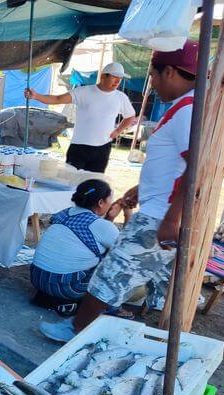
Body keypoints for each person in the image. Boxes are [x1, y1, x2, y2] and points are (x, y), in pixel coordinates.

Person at [39, 41, 199, 343]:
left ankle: (76, 330)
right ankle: (155, 333)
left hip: (160, 216)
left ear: (169, 71)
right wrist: (144, 188)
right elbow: (177, 165)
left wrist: (173, 217)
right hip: (161, 207)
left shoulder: (188, 111)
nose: (151, 82)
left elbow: (197, 169)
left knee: (112, 272)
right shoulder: (183, 108)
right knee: (163, 277)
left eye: (153, 74)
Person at [30, 179, 123, 314]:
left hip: (37, 278)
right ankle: (108, 307)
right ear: (101, 203)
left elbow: (95, 237)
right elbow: (124, 249)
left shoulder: (62, 213)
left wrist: (109, 219)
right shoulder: (101, 226)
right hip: (66, 288)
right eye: (110, 199)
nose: (111, 203)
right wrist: (127, 215)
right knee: (115, 261)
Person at [25, 62, 136, 173]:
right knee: (70, 181)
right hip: (79, 146)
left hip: (103, 148)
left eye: (120, 79)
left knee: (93, 183)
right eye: (115, 77)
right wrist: (36, 96)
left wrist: (118, 131)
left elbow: (130, 116)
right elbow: (58, 99)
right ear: (103, 76)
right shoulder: (83, 92)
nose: (117, 82)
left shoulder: (121, 97)